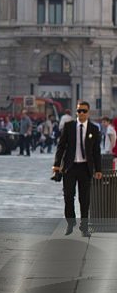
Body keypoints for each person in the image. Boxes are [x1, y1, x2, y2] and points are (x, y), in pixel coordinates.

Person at [52, 101, 102, 236]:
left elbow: (96, 151)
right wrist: (56, 165)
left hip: (85, 168)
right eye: (79, 111)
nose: (81, 113)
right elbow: (61, 147)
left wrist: (98, 170)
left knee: (84, 199)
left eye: (84, 111)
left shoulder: (94, 129)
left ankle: (84, 227)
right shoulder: (69, 127)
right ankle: (70, 222)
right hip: (70, 167)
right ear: (76, 112)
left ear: (88, 112)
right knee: (68, 197)